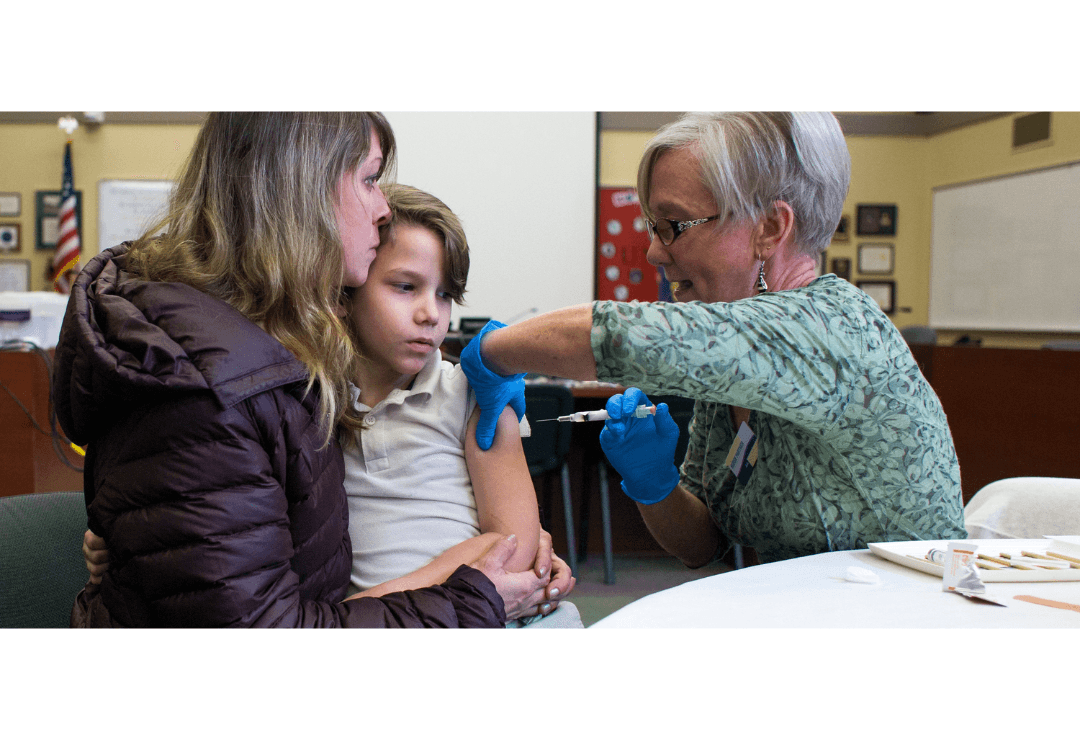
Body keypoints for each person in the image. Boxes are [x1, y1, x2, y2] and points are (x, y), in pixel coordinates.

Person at [57, 112, 571, 627]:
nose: (382, 206)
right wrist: (473, 590)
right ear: (302, 193)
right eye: (369, 180)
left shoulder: (287, 367)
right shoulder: (227, 388)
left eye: (444, 295)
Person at [459, 111, 967, 567]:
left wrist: (490, 352)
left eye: (673, 226)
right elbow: (703, 543)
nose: (655, 252)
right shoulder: (734, 362)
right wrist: (653, 483)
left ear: (770, 227)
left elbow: (629, 338)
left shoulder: (830, 328)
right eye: (651, 227)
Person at [335, 183, 580, 627]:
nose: (431, 313)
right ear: (347, 290)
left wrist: (365, 607)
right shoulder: (314, 400)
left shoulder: (472, 392)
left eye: (445, 294)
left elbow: (515, 547)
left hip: (495, 618)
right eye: (406, 287)